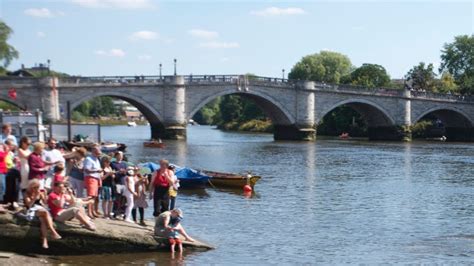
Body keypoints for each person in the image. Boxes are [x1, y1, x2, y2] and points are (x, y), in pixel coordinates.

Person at [24, 179, 62, 249]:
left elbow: (45, 203)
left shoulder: (39, 192)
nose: (36, 189)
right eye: (34, 187)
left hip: (40, 210)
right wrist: (35, 197)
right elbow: (29, 205)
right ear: (30, 187)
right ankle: (53, 231)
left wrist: (44, 194)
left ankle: (44, 240)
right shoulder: (27, 193)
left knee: (43, 220)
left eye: (37, 187)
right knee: (45, 213)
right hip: (32, 210)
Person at [83, 145, 102, 218]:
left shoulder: (97, 159)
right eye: (98, 152)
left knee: (94, 196)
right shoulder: (88, 159)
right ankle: (89, 212)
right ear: (94, 151)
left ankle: (93, 211)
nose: (99, 154)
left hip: (96, 178)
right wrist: (96, 170)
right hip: (90, 178)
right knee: (90, 196)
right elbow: (86, 169)